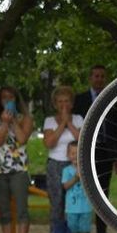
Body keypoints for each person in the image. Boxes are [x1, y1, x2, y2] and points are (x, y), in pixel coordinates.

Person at [74, 64, 117, 233]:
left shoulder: (112, 98)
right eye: (96, 76)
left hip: (106, 150)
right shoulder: (79, 100)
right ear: (90, 78)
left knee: (103, 192)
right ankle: (83, 231)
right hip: (87, 151)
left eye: (102, 76)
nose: (99, 79)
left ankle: (101, 232)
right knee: (85, 191)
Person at [0, 86, 34, 233]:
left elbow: (22, 139)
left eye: (11, 97)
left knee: (22, 209)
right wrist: (4, 123)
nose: (7, 100)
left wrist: (13, 121)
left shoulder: (26, 118)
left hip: (19, 169)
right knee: (4, 210)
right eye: (4, 98)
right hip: (0, 169)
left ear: (16, 99)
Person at [43, 86, 84, 225]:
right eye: (60, 101)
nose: (63, 104)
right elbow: (49, 143)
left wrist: (69, 123)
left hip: (74, 164)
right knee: (57, 204)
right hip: (55, 165)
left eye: (66, 101)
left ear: (72, 104)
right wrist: (62, 124)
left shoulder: (78, 119)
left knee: (74, 202)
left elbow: (82, 140)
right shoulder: (49, 121)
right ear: (55, 104)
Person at [61, 140, 94, 233]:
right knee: (73, 231)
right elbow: (65, 186)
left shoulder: (87, 169)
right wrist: (76, 177)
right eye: (72, 153)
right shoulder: (66, 170)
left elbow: (91, 185)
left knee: (83, 230)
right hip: (71, 208)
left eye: (77, 153)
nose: (75, 156)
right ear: (68, 155)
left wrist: (83, 175)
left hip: (85, 206)